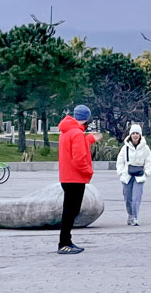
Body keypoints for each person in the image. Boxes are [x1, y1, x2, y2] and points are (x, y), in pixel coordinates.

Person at [57, 104, 102, 255]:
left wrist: (90, 139)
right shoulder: (77, 133)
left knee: (69, 210)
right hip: (75, 178)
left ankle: (66, 241)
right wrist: (89, 171)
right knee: (71, 211)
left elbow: (76, 145)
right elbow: (79, 158)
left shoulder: (67, 131)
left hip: (67, 177)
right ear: (87, 118)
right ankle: (64, 243)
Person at [116, 123, 151, 226]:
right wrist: (120, 172)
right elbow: (120, 161)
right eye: (133, 133)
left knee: (136, 198)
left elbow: (148, 161)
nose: (135, 135)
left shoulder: (145, 148)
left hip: (139, 175)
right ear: (130, 135)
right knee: (128, 198)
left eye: (137, 133)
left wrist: (147, 172)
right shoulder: (125, 148)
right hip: (127, 175)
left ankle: (135, 217)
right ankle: (130, 215)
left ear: (140, 135)